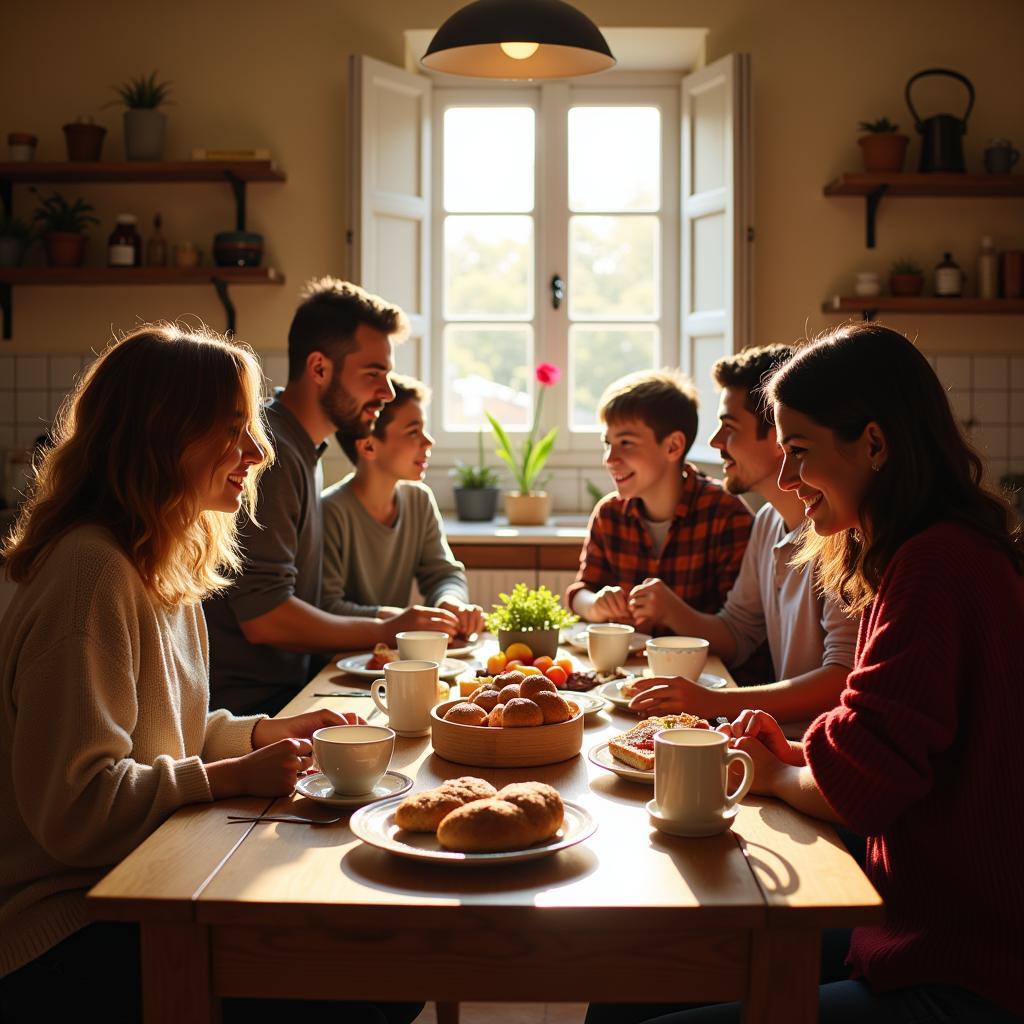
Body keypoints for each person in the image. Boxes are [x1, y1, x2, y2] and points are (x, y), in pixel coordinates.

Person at [0, 324, 419, 1024]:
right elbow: (76, 809)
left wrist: (261, 734)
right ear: (162, 436)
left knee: (384, 962)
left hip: (144, 877)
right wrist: (225, 779)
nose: (257, 453)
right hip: (65, 929)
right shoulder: (90, 576)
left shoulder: (158, 564)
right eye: (234, 430)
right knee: (371, 984)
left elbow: (171, 733)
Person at [636, 323, 1024, 1023]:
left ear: (874, 444)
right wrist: (790, 754)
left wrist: (781, 772)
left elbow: (863, 789)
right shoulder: (922, 554)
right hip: (914, 918)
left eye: (801, 454)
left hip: (962, 962)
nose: (786, 481)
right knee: (634, 981)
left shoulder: (936, 568)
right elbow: (877, 738)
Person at [204, 278, 460, 716]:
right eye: (373, 374)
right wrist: (390, 627)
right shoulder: (273, 454)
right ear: (319, 368)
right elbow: (264, 618)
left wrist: (395, 623)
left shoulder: (304, 450)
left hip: (286, 694)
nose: (388, 392)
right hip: (252, 710)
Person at [629, 345, 858, 725]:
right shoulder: (767, 520)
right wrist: (671, 609)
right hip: (778, 739)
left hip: (808, 747)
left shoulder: (841, 532)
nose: (716, 442)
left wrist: (716, 702)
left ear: (779, 435)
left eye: (729, 428)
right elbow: (738, 633)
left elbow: (842, 678)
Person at [567, 369, 752, 632]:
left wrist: (673, 613)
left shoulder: (726, 514)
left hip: (702, 671)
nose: (609, 459)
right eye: (607, 443)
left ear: (673, 447)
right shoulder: (608, 514)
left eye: (626, 443)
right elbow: (579, 593)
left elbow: (740, 629)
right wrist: (594, 604)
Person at [323, 374, 484, 638]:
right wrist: (400, 620)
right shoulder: (331, 512)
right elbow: (327, 608)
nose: (428, 441)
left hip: (392, 654)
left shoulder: (419, 500)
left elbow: (444, 574)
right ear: (368, 446)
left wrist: (449, 602)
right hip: (340, 660)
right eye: (413, 432)